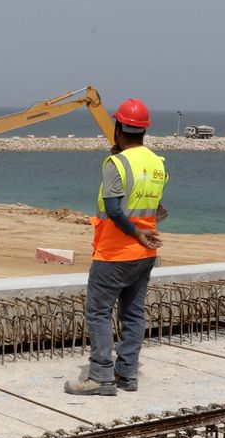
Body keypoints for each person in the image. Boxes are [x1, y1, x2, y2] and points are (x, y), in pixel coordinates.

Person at [64, 98, 168, 396]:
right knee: (133, 313)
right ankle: (127, 373)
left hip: (114, 252)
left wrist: (135, 233)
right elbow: (155, 207)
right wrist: (143, 233)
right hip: (145, 254)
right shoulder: (157, 163)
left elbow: (113, 209)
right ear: (144, 131)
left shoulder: (117, 164)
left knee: (99, 312)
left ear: (119, 128)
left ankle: (100, 376)